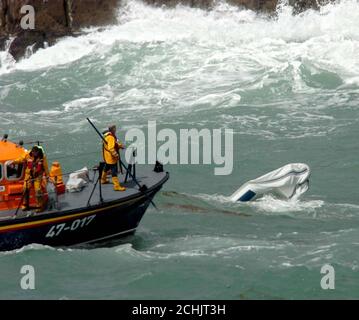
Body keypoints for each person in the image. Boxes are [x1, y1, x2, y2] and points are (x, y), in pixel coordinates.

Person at [10, 146, 48, 212]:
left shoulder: (42, 157)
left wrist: (47, 175)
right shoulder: (27, 155)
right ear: (32, 152)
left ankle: (40, 206)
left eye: (36, 153)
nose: (34, 154)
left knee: (38, 190)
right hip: (29, 175)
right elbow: (21, 159)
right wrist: (14, 162)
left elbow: (45, 166)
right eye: (33, 152)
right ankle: (25, 204)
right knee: (25, 188)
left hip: (38, 175)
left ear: (38, 152)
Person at [101, 124, 126, 191]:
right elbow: (111, 148)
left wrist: (121, 146)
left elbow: (116, 143)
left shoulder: (107, 135)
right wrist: (116, 155)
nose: (116, 129)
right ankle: (116, 186)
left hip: (107, 156)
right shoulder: (111, 137)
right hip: (111, 157)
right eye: (115, 128)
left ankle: (103, 180)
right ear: (112, 129)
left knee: (106, 168)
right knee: (114, 171)